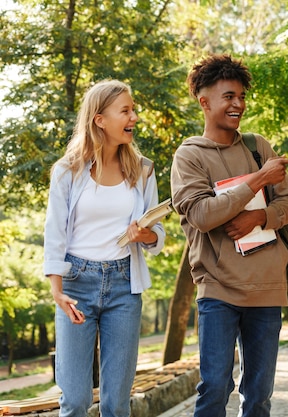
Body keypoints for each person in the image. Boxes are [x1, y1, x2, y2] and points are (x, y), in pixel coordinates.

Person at [170, 53, 288, 417]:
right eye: (229, 96)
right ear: (205, 101)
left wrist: (260, 216)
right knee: (215, 388)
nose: (239, 105)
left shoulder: (257, 146)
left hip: (267, 288)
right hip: (218, 289)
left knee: (258, 394)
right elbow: (200, 215)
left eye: (242, 97)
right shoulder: (189, 156)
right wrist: (258, 181)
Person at [43, 79, 166, 417]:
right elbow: (54, 232)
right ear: (99, 119)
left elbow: (157, 234)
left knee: (116, 402)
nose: (134, 117)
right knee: (76, 399)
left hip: (124, 286)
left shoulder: (142, 170)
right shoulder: (67, 171)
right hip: (75, 284)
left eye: (133, 110)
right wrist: (57, 291)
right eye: (125, 111)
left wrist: (146, 236)